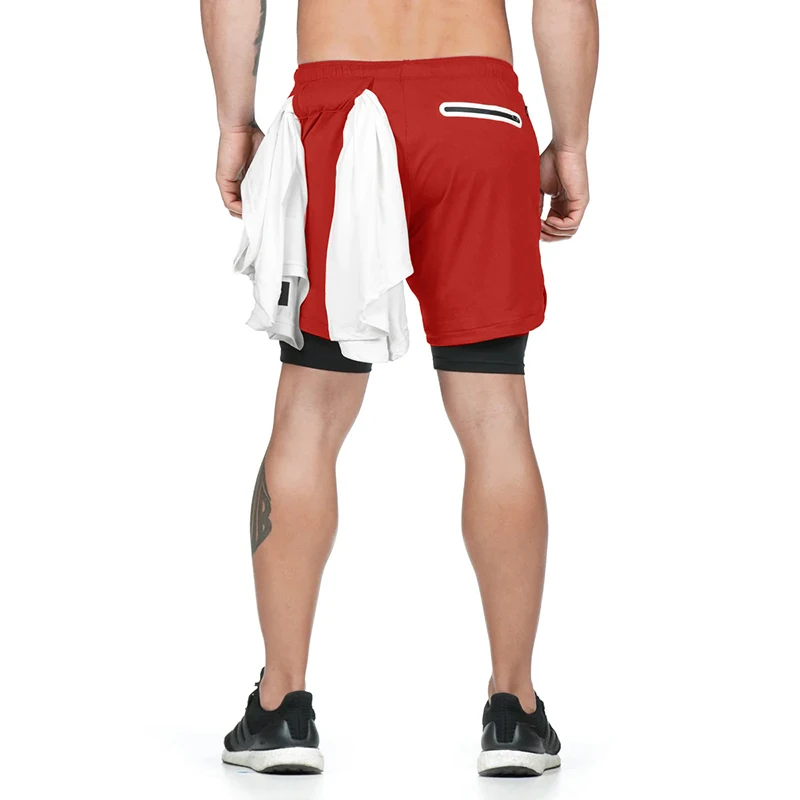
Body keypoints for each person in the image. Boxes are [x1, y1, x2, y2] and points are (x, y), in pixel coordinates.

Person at [201, 0, 598, 778]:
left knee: (310, 411)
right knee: (495, 414)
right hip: (478, 113)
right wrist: (572, 141)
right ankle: (514, 714)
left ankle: (280, 711)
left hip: (339, 109)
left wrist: (233, 123)